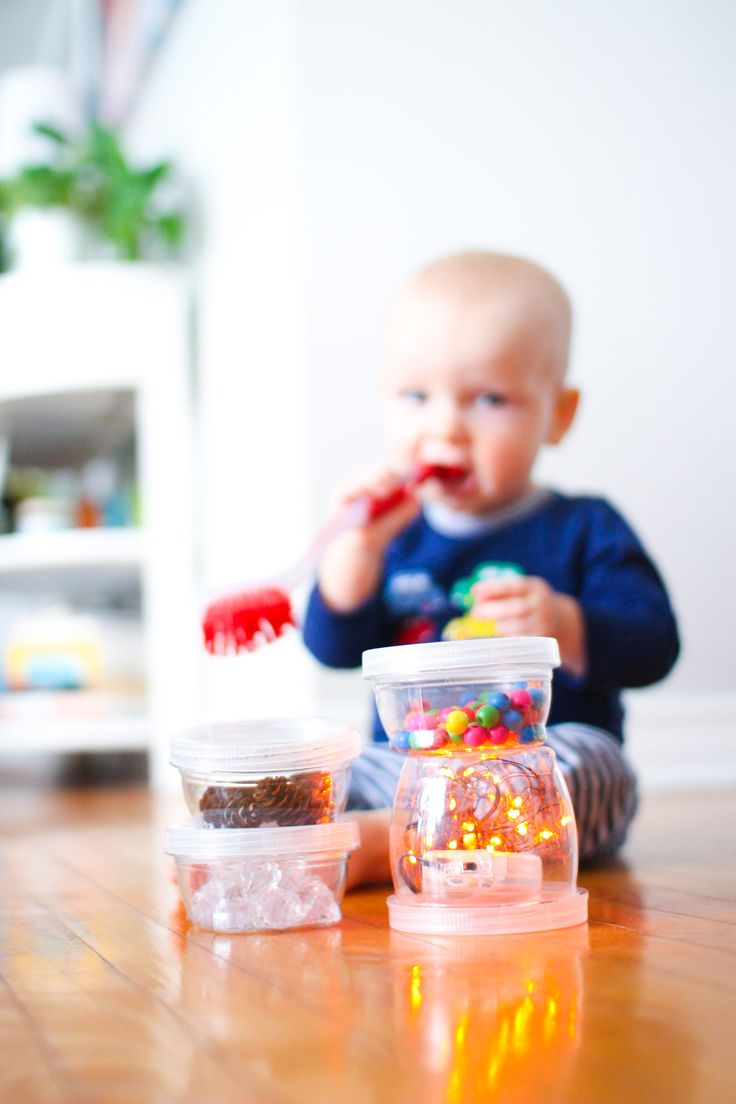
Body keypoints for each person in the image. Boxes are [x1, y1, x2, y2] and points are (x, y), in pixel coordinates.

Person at [302, 251, 680, 887]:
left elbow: (655, 646)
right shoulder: (393, 533)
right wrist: (354, 553)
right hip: (413, 769)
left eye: (490, 399)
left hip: (544, 779)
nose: (445, 426)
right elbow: (332, 647)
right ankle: (272, 837)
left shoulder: (585, 527)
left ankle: (384, 842)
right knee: (330, 771)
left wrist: (566, 622)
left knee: (595, 766)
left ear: (557, 414)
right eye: (416, 396)